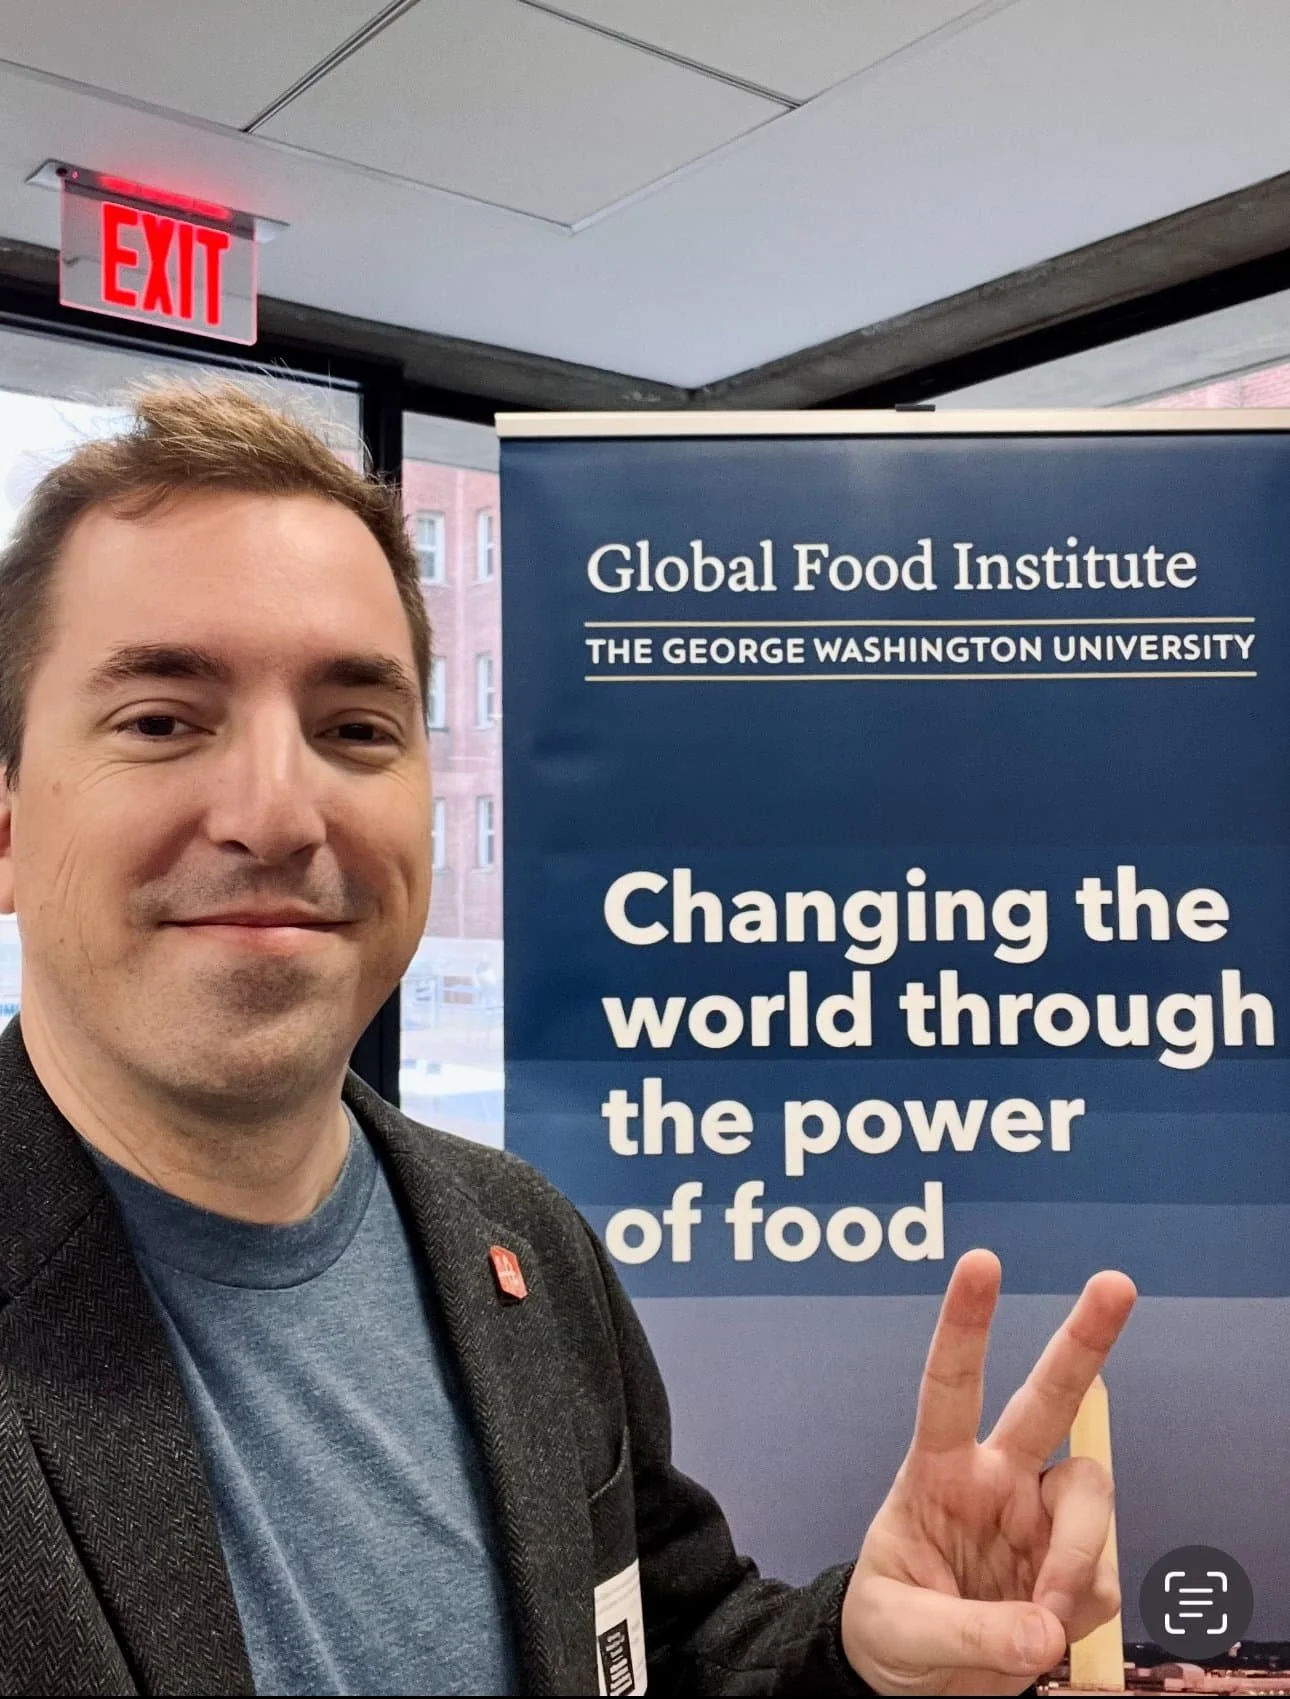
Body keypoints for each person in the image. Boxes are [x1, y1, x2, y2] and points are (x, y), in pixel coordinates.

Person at [0, 383, 1135, 1698]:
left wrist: (859, 1653)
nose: (276, 810)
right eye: (162, 719)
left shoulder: (519, 1240)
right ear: (12, 820)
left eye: (355, 727)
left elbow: (667, 1638)